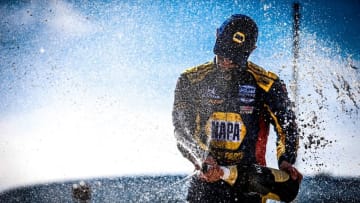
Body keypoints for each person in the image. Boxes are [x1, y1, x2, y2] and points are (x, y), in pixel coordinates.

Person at [172, 14, 303, 203]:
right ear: (217, 36)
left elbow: (287, 125)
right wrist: (203, 157)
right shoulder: (190, 80)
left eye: (234, 57)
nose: (226, 60)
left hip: (249, 182)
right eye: (223, 52)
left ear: (252, 50)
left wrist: (286, 160)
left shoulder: (267, 84)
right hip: (205, 177)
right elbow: (181, 130)